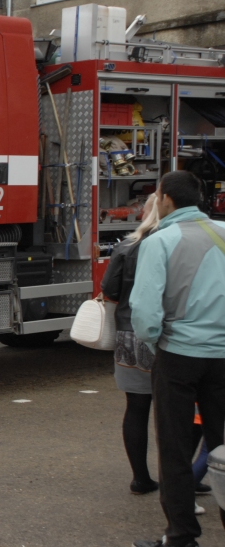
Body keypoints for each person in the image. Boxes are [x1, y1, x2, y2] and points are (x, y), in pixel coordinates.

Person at [129, 171, 225, 547]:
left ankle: (182, 541)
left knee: (175, 447)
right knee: (221, 449)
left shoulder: (160, 242)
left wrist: (157, 343)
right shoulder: (222, 230)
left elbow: (145, 313)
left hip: (179, 356)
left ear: (165, 199)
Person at [100, 194, 160, 495]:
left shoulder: (127, 247)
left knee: (136, 407)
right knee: (176, 410)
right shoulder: (174, 243)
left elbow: (109, 289)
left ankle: (140, 477)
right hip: (169, 336)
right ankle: (185, 474)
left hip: (129, 333)